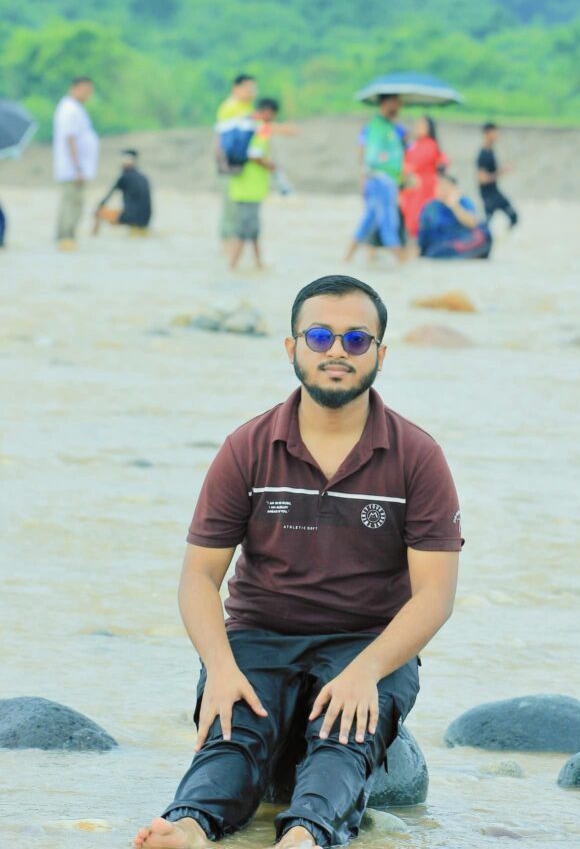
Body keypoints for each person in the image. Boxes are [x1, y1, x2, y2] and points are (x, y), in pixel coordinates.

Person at [132, 273, 462, 849]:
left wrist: (368, 669)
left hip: (368, 640)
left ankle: (306, 835)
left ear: (381, 353)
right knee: (234, 735)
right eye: (319, 336)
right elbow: (199, 577)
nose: (337, 350)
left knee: (343, 739)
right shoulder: (249, 446)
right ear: (292, 348)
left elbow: (434, 594)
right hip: (259, 634)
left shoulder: (418, 456)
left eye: (356, 340)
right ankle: (186, 826)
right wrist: (220, 666)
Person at [346, 95, 405, 263]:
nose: (399, 107)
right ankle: (402, 262)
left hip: (387, 179)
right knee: (388, 220)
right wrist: (363, 175)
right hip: (380, 180)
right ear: (386, 103)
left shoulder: (392, 128)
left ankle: (347, 258)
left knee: (370, 218)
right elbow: (365, 154)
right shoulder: (376, 127)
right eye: (396, 103)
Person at [226, 97, 279, 270]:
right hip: (251, 188)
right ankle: (232, 266)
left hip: (240, 186)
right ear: (267, 112)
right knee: (245, 231)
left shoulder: (245, 123)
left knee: (251, 230)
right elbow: (255, 154)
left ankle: (257, 264)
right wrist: (269, 164)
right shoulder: (262, 127)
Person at [53, 77, 99, 250]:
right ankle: (66, 238)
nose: (89, 95)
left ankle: (65, 238)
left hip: (76, 168)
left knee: (71, 203)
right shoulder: (69, 109)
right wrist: (78, 168)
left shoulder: (75, 108)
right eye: (87, 91)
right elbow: (70, 138)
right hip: (73, 169)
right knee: (72, 204)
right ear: (77, 88)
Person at [215, 75, 258, 256]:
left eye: (254, 89)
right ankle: (227, 249)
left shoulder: (247, 108)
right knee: (230, 208)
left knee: (238, 209)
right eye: (248, 88)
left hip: (243, 168)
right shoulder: (230, 107)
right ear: (236, 88)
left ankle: (233, 252)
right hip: (230, 167)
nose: (252, 92)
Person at [418, 173, 492, 259]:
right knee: (437, 251)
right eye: (440, 187)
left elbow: (473, 224)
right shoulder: (430, 207)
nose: (443, 190)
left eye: (446, 187)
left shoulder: (464, 202)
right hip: (442, 244)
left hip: (464, 239)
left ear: (454, 189)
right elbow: (423, 237)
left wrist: (455, 206)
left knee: (485, 233)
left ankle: (468, 253)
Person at [399, 116, 448, 240]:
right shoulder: (413, 144)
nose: (418, 127)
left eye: (422, 125)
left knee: (419, 216)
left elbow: (437, 161)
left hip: (425, 188)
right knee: (409, 215)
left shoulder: (431, 144)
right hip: (411, 187)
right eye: (417, 124)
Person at [92, 150, 152, 234]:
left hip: (130, 218)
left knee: (98, 212)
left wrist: (99, 206)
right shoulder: (143, 177)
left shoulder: (124, 176)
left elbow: (109, 195)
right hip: (146, 219)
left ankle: (94, 234)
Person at [476, 122, 518, 227]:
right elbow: (482, 179)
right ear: (487, 133)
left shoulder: (491, 151)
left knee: (513, 217)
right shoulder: (483, 154)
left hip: (494, 191)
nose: (497, 134)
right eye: (494, 132)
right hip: (488, 195)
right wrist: (501, 172)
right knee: (486, 223)